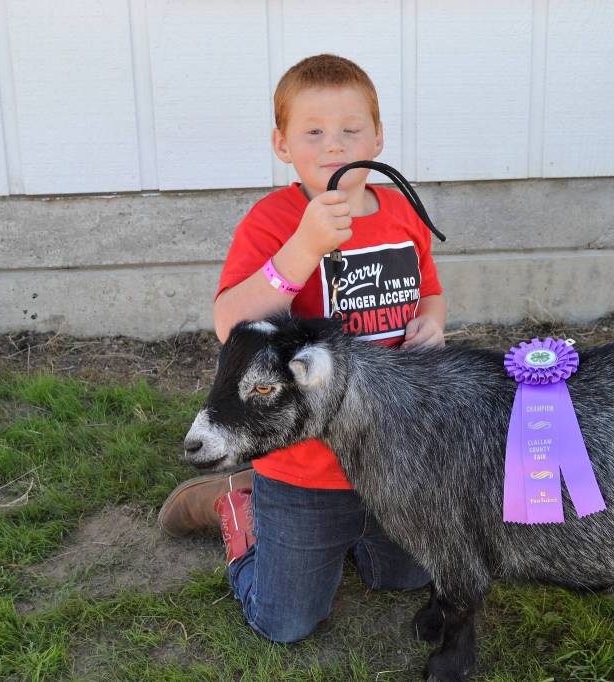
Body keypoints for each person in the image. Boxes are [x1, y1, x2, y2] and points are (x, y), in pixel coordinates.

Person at [157, 54, 446, 643]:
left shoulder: (401, 214)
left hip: (393, 451)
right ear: (282, 144)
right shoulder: (274, 220)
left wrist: (432, 324)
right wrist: (304, 246)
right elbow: (231, 325)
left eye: (351, 129)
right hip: (304, 466)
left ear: (379, 137)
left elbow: (432, 291)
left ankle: (361, 533)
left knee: (405, 579)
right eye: (313, 131)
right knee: (286, 621)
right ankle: (237, 506)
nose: (334, 145)